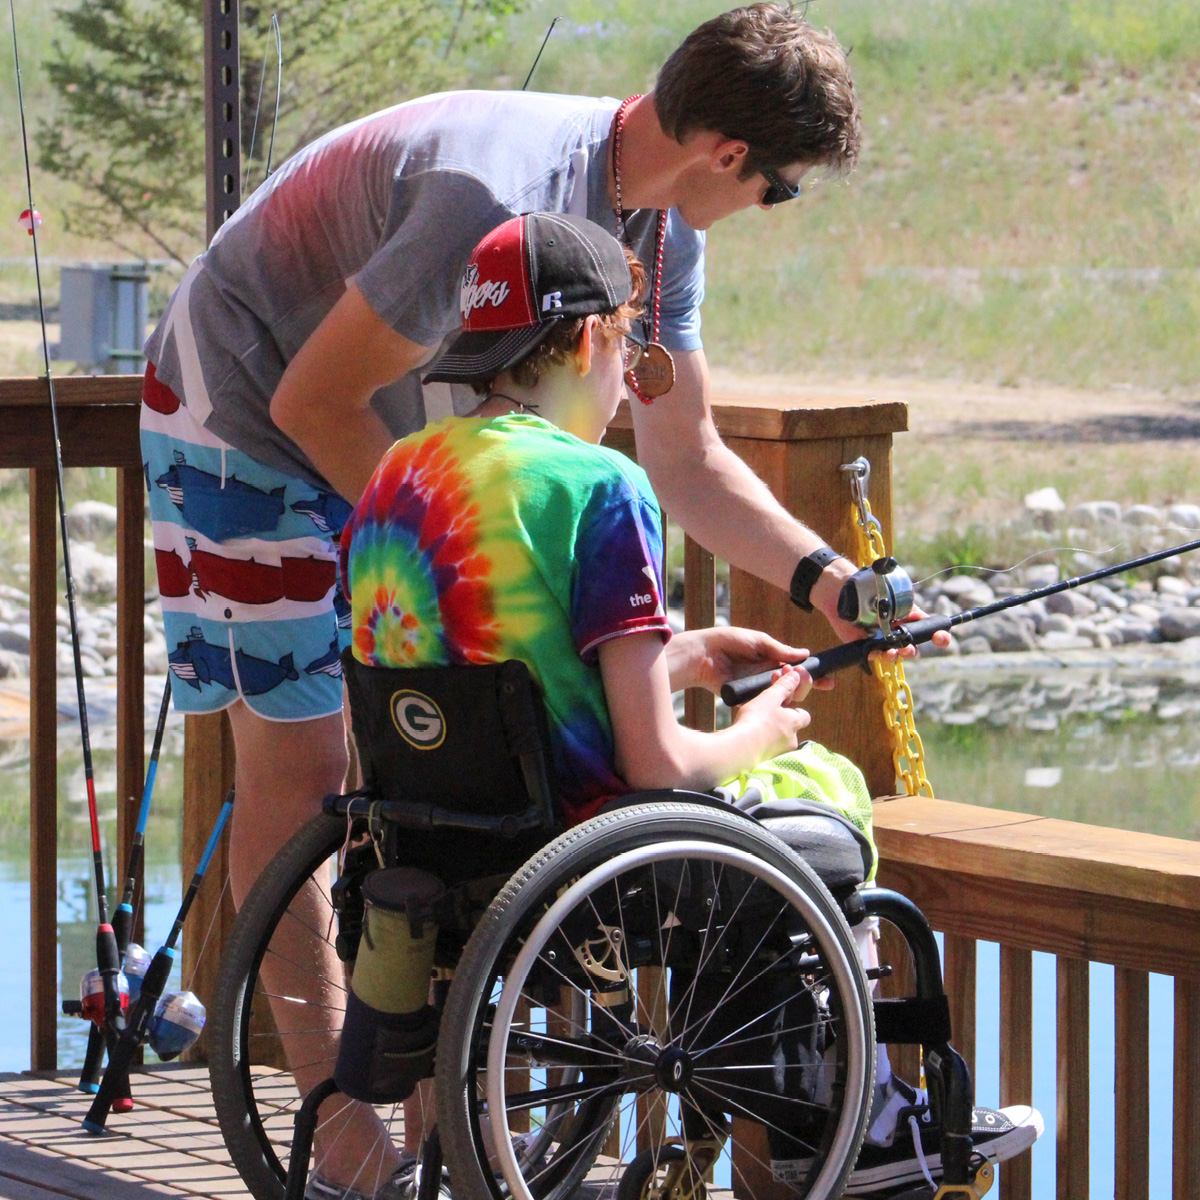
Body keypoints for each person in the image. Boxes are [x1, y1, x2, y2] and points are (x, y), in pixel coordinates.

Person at [138, 3, 946, 1191]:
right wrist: (476, 555)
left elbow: (689, 453)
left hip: (416, 459)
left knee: (460, 758)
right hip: (246, 415)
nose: (774, 210)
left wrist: (832, 581)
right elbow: (317, 404)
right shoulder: (486, 202)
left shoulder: (660, 237)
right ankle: (344, 1147)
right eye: (782, 189)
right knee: (303, 771)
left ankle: (452, 1141)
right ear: (729, 155)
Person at [339, 213, 1043, 1198]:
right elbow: (657, 768)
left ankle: (795, 1114)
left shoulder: (397, 480)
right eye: (633, 345)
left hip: (440, 848)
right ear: (591, 339)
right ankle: (863, 1122)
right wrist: (758, 730)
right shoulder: (600, 488)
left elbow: (498, 687)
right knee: (825, 803)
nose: (632, 373)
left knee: (748, 831)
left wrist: (686, 656)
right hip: (590, 871)